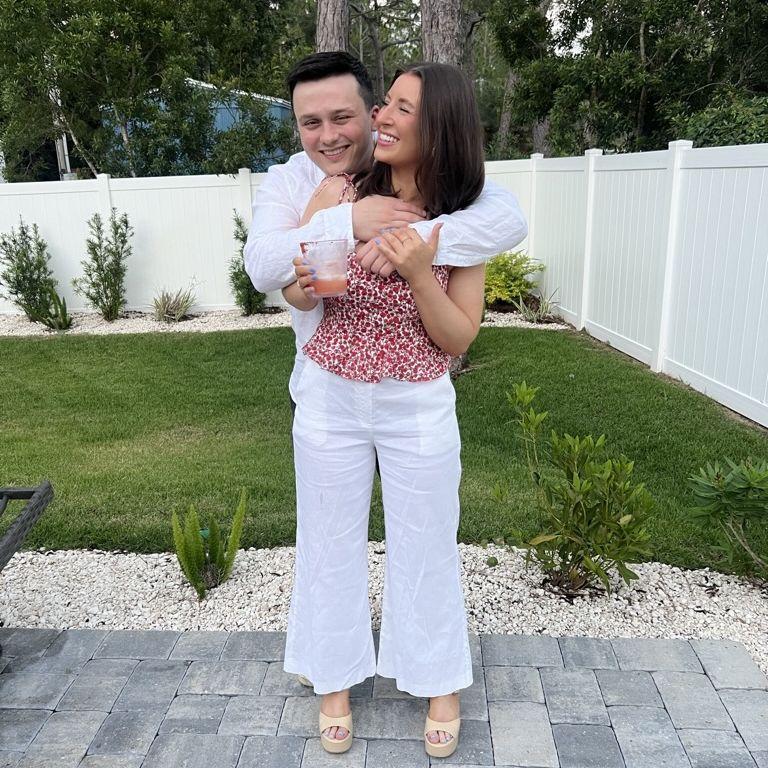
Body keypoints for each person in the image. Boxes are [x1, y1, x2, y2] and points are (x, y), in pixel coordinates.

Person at [281, 61, 491, 759]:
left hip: (417, 404)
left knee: (427, 541)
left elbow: (458, 338)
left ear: (441, 128)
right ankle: (334, 682)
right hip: (331, 397)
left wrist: (416, 272)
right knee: (327, 539)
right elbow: (298, 288)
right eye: (387, 104)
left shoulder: (464, 221)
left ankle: (438, 682)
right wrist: (306, 283)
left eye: (403, 108)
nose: (383, 117)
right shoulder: (340, 192)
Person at [243, 52, 527, 412]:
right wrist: (348, 221)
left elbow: (508, 219)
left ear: (371, 115)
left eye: (342, 118)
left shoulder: (434, 186)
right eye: (311, 123)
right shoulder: (294, 181)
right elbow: (262, 269)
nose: (328, 137)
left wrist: (409, 240)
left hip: (415, 399)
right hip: (323, 387)